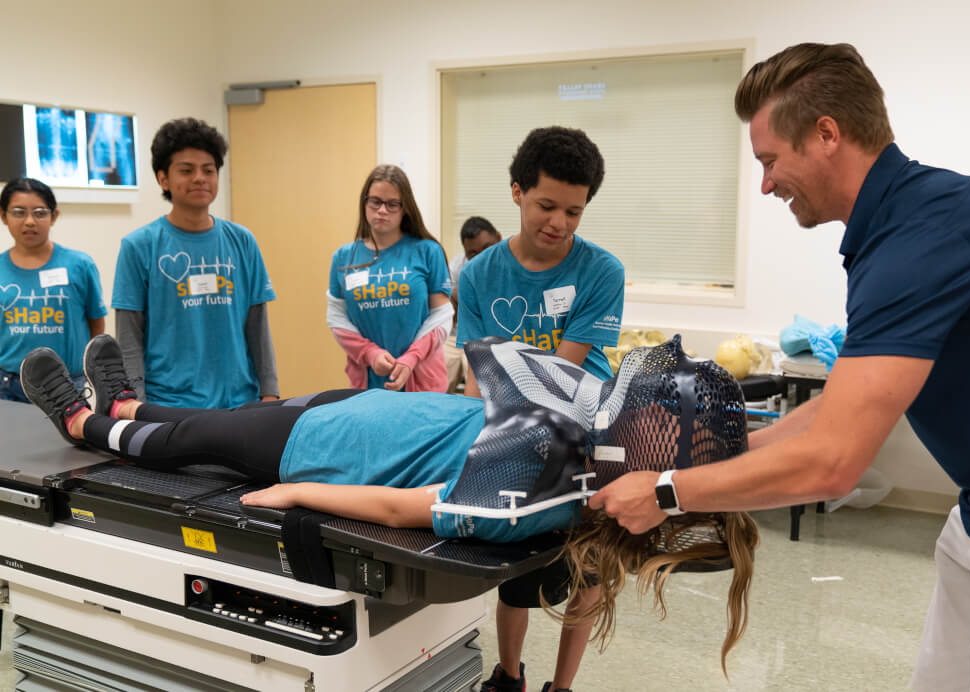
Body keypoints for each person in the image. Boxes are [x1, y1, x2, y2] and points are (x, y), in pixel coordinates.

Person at [589, 42, 970, 692]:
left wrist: (666, 493)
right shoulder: (906, 222)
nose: (765, 183)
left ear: (827, 135)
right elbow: (838, 406)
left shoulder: (917, 247)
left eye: (771, 161)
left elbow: (834, 463)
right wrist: (726, 453)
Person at [20, 333, 757, 678]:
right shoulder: (586, 436)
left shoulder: (539, 500)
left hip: (324, 450)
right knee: (218, 422)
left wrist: (298, 494)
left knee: (193, 440)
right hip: (364, 411)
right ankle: (127, 400)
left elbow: (408, 509)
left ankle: (88, 423)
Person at [456, 127, 625, 692]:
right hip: (512, 429)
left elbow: (567, 372)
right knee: (518, 573)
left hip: (585, 431)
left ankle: (563, 685)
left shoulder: (602, 271)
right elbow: (480, 367)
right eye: (546, 205)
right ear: (516, 192)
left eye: (574, 212)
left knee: (588, 568)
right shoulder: (479, 275)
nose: (559, 223)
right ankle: (509, 677)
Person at [111, 117, 278, 409]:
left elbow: (257, 325)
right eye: (186, 170)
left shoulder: (242, 240)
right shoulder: (139, 246)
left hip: (240, 402)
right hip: (168, 406)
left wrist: (270, 393)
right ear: (163, 179)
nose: (200, 178)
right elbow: (129, 338)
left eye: (208, 170)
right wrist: (133, 403)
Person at [327, 165, 452, 392]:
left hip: (423, 383)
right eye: (375, 201)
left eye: (392, 204)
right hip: (368, 384)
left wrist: (412, 357)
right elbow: (337, 318)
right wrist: (369, 353)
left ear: (405, 209)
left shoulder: (427, 251)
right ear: (364, 203)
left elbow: (442, 316)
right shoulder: (344, 258)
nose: (382, 210)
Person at [0, 177, 105, 402]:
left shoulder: (79, 265)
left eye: (39, 212)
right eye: (18, 212)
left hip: (68, 383)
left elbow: (96, 322)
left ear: (54, 216)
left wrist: (94, 373)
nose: (29, 221)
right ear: (3, 216)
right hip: (7, 386)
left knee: (67, 439)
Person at [445, 216, 502, 392]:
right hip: (459, 334)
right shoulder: (458, 266)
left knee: (480, 375)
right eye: (473, 253)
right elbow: (447, 299)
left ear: (499, 238)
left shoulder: (512, 262)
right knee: (441, 366)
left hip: (495, 338)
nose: (482, 257)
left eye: (487, 248)